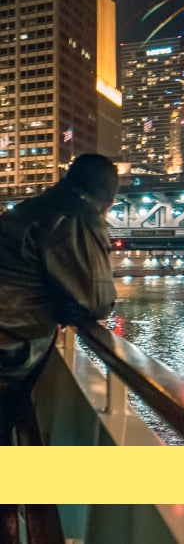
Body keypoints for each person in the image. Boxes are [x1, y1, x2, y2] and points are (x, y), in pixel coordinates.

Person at [0, 153, 118, 443]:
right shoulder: (75, 217)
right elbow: (97, 300)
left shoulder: (33, 208)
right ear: (109, 203)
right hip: (8, 351)